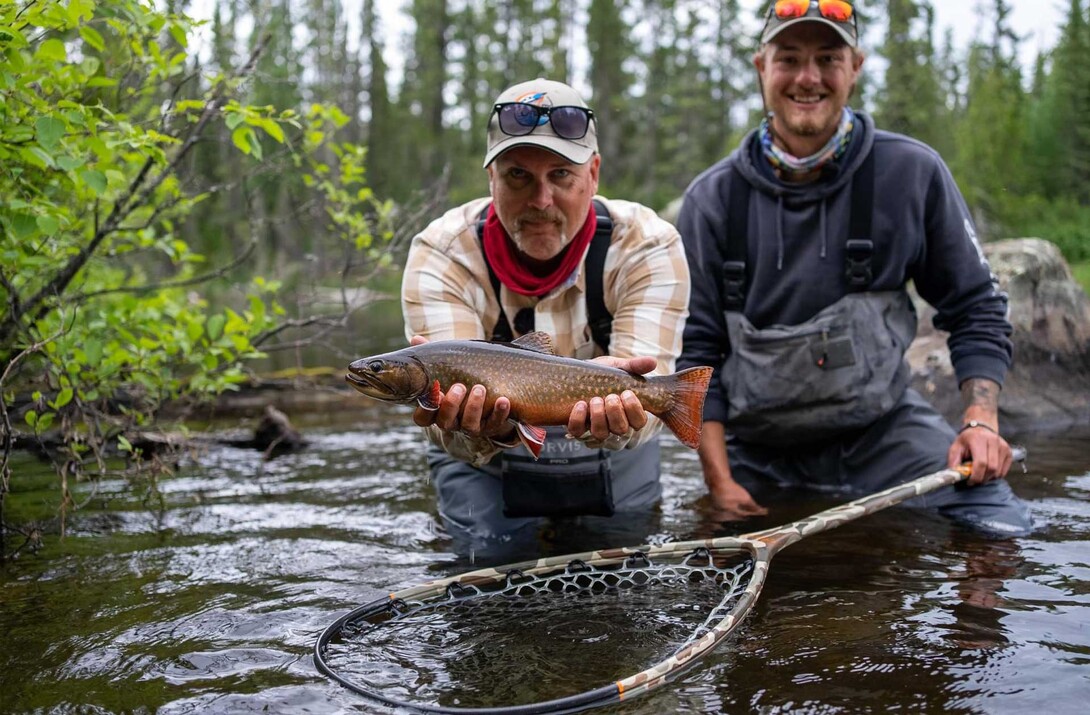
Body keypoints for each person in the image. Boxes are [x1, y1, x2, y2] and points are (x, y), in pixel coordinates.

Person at [676, 0, 1033, 536]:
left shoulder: (911, 173)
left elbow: (976, 307)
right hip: (754, 450)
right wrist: (718, 482)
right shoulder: (712, 200)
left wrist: (980, 422)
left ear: (856, 68)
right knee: (715, 546)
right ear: (760, 67)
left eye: (828, 58)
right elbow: (698, 356)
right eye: (789, 58)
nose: (808, 78)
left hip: (884, 436)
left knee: (997, 525)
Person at [400, 78, 690, 556]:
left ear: (593, 174)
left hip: (614, 450)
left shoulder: (648, 245)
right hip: (484, 462)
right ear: (490, 177)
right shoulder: (441, 253)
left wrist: (624, 412)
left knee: (623, 569)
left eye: (561, 175)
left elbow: (654, 400)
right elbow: (439, 420)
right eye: (518, 176)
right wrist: (481, 426)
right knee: (482, 564)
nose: (541, 200)